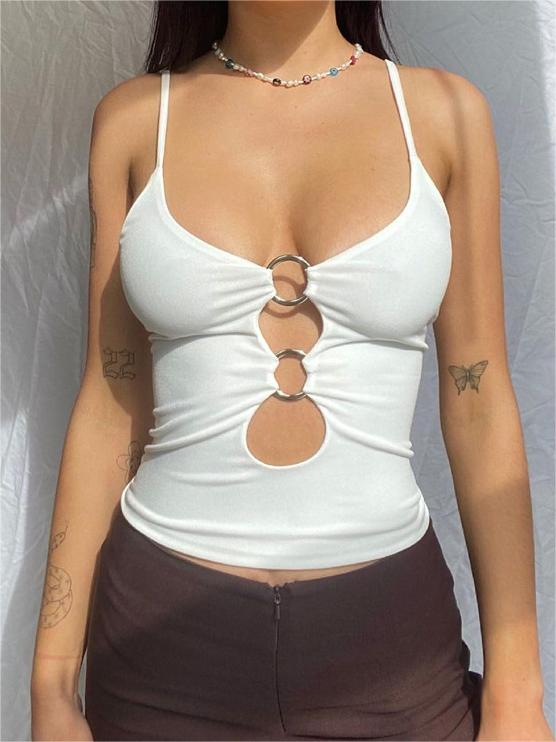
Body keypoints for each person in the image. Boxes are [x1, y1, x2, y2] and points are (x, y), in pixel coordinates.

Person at [30, 2, 553, 741]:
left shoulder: (444, 116)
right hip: (158, 646)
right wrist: (51, 679)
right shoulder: (136, 120)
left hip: (391, 647)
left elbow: (479, 400)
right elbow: (111, 397)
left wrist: (518, 692)